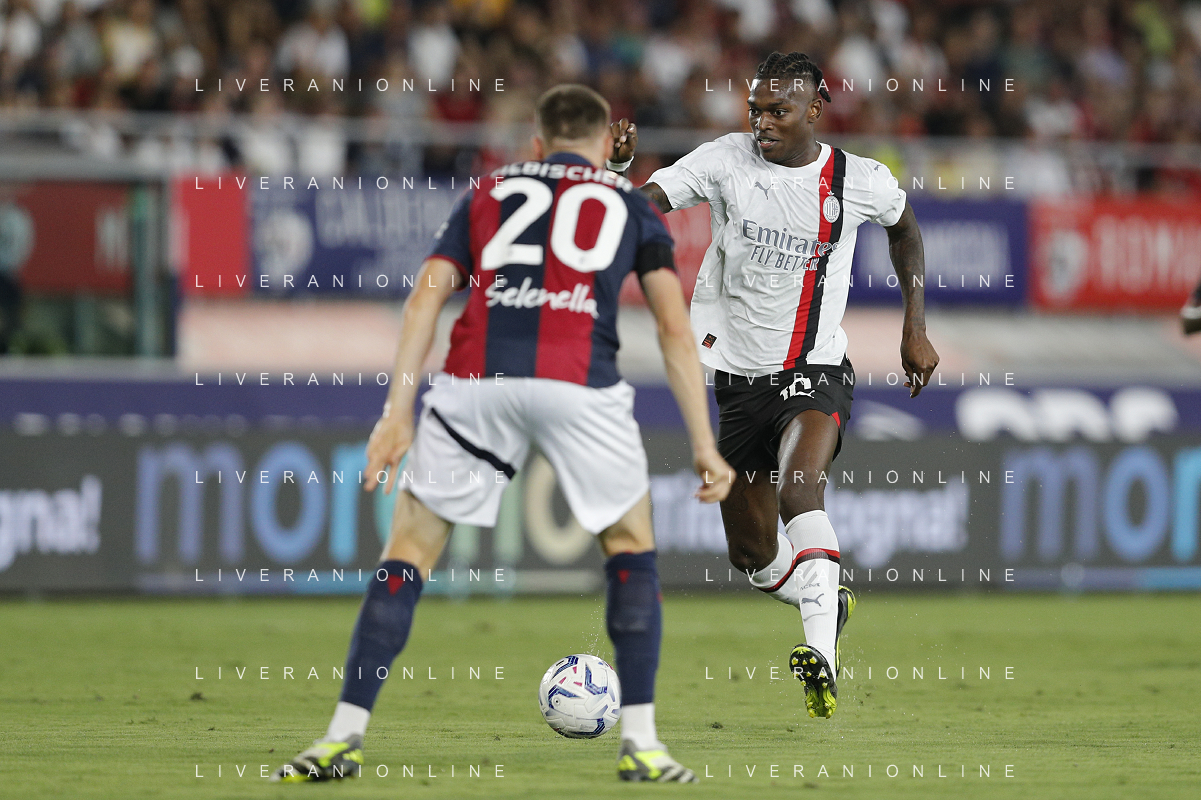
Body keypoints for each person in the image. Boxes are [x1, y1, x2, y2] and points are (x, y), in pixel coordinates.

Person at [272, 84, 732, 784]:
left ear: (538, 144)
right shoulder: (632, 205)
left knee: (409, 551)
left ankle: (340, 738)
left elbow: (425, 296)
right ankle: (642, 744)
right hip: (581, 384)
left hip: (476, 382)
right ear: (604, 145)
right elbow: (672, 326)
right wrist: (703, 442)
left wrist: (396, 411)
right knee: (630, 547)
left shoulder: (489, 191)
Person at [606, 51, 940, 719]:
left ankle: (821, 653)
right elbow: (644, 208)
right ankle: (825, 598)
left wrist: (914, 327)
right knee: (753, 555)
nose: (762, 122)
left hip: (814, 371)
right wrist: (617, 173)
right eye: (755, 109)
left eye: (777, 111)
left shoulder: (857, 179)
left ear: (813, 110)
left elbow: (904, 230)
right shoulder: (724, 160)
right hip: (736, 384)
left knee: (799, 489)